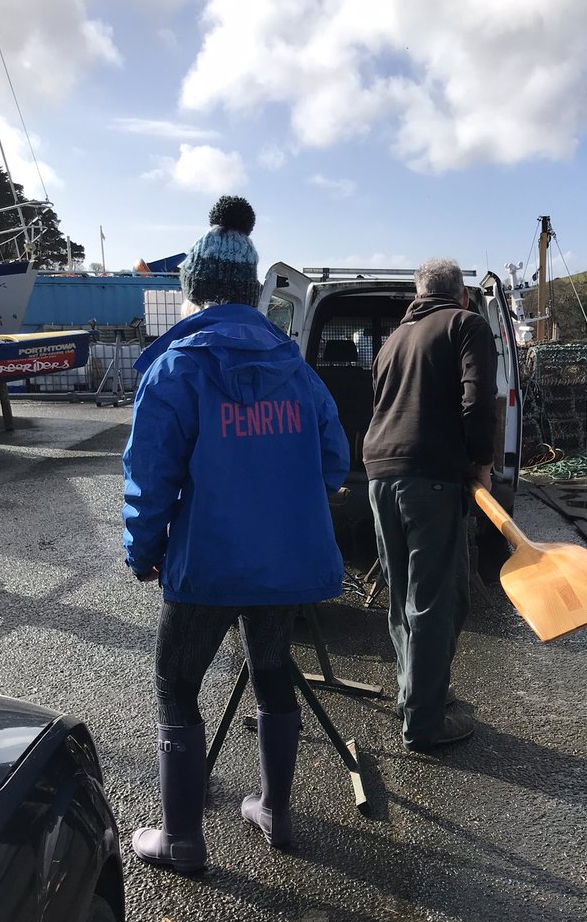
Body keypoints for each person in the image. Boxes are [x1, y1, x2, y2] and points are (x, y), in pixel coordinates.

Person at [122, 195, 349, 873]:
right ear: (250, 292)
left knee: (175, 683)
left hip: (208, 565)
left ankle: (182, 839)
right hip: (281, 564)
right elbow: (333, 462)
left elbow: (150, 477)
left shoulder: (177, 368)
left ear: (193, 290)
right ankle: (275, 810)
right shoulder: (296, 368)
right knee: (272, 671)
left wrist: (145, 552)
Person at [363, 257, 496, 752]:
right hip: (430, 479)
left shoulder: (391, 341)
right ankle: (425, 722)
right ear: (463, 294)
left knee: (403, 595)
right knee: (437, 601)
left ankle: (415, 695)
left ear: (418, 296)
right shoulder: (467, 324)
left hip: (379, 475)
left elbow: (380, 404)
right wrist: (481, 462)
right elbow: (477, 402)